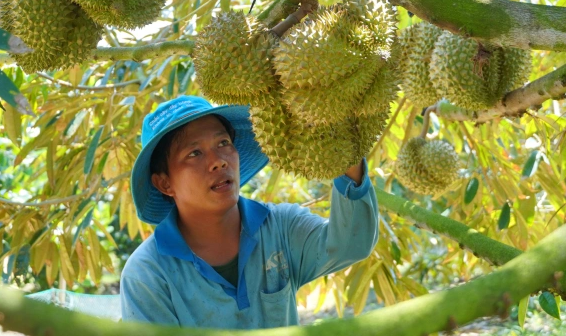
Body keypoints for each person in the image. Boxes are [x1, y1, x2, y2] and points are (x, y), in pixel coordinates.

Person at [120, 95, 379, 328]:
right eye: (194, 153)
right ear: (165, 183)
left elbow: (351, 244)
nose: (219, 161)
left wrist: (345, 152)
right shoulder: (147, 274)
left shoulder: (280, 227)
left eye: (223, 142)